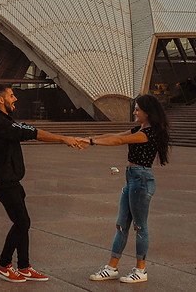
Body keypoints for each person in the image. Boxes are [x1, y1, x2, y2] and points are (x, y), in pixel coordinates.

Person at [0, 83, 83, 283]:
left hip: (12, 181)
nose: (15, 99)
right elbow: (34, 133)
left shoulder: (7, 122)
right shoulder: (1, 124)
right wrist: (63, 138)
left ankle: (24, 266)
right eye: (12, 96)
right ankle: (3, 265)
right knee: (22, 222)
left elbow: (30, 130)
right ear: (1, 100)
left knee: (23, 223)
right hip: (3, 183)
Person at [80, 94, 171, 284]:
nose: (134, 111)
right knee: (121, 225)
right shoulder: (139, 128)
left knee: (140, 227)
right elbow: (116, 136)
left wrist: (91, 142)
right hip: (132, 179)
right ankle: (112, 267)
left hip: (142, 180)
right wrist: (90, 139)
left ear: (148, 112)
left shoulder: (150, 132)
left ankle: (141, 270)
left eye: (137, 109)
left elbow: (120, 141)